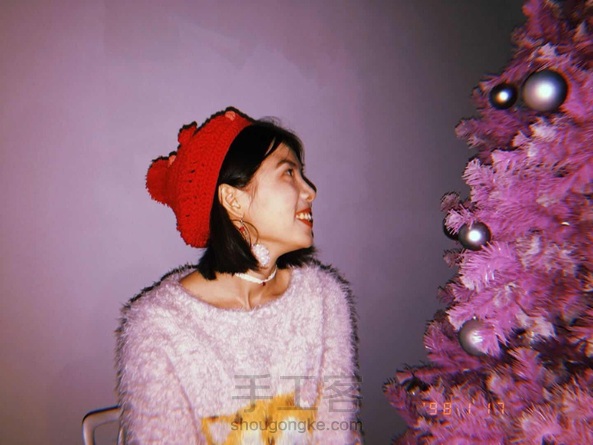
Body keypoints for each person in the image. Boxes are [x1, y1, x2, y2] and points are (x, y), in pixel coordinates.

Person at [115, 107, 362, 444]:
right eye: (289, 173)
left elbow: (336, 431)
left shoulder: (323, 298)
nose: (310, 191)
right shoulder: (159, 328)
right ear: (233, 199)